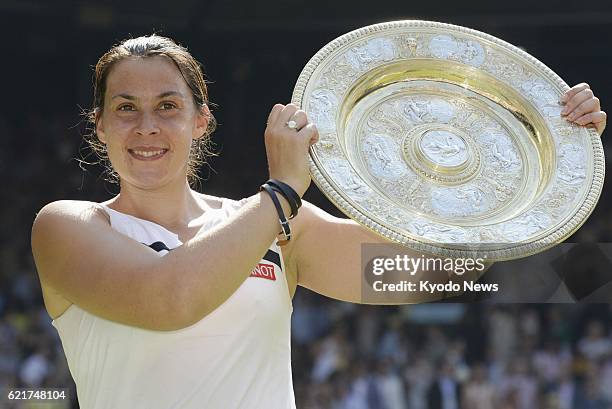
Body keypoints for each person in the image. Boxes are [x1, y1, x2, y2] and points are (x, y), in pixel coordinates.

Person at [30, 34, 606, 408]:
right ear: (99, 125)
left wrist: (550, 172)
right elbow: (172, 297)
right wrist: (281, 190)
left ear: (201, 121)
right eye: (125, 108)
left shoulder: (283, 228)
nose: (147, 126)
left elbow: (432, 275)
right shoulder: (68, 227)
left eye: (168, 106)